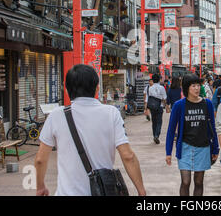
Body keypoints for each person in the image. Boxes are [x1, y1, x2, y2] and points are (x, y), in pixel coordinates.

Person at [34, 64, 146, 196]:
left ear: (66, 89)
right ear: (97, 87)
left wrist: (40, 186)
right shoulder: (111, 113)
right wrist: (141, 191)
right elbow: (128, 156)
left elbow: (40, 159)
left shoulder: (56, 115)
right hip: (103, 191)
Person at [166, 73, 219, 196]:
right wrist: (168, 152)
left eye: (198, 85)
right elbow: (171, 130)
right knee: (185, 181)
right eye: (193, 86)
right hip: (185, 147)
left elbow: (212, 127)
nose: (197, 88)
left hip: (203, 147)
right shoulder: (179, 105)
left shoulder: (207, 104)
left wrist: (215, 148)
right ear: (186, 88)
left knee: (199, 182)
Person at [144, 74, 168, 144]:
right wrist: (166, 106)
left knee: (154, 121)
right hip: (159, 106)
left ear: (153, 80)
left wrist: (146, 108)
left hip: (152, 107)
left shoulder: (150, 88)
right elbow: (164, 98)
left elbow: (148, 98)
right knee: (159, 122)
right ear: (159, 79)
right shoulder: (162, 88)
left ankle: (154, 135)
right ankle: (157, 135)